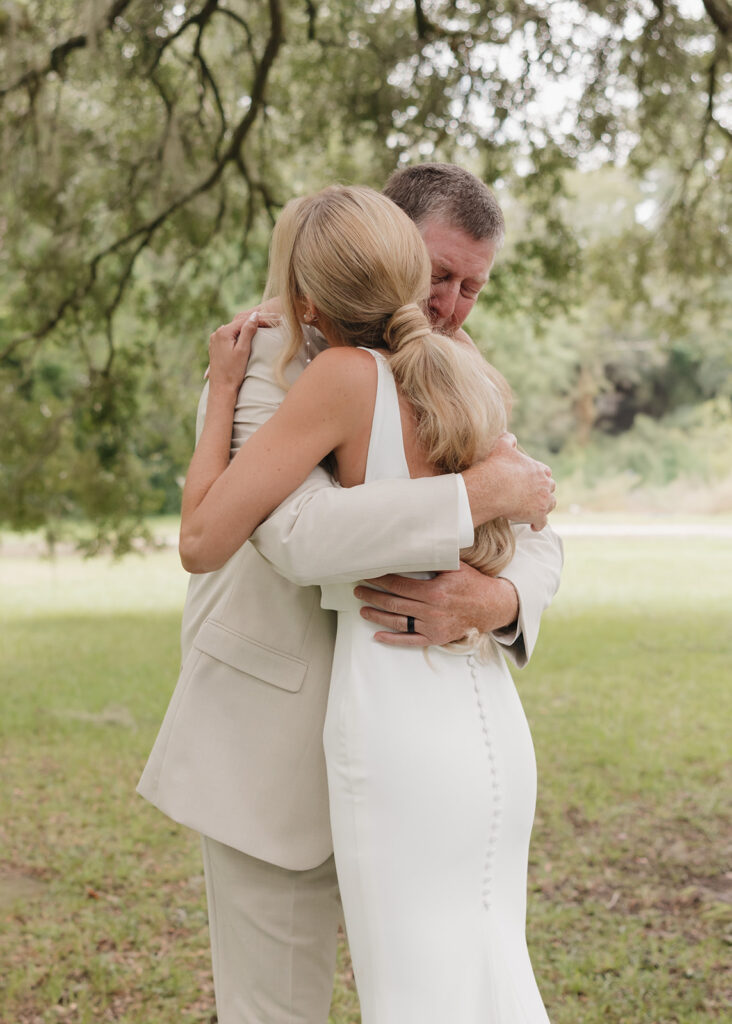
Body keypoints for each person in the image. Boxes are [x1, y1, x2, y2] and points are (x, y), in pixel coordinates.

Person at [138, 167, 562, 1024]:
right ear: (389, 247)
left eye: (471, 287)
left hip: (418, 734)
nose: (447, 306)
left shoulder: (455, 365)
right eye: (437, 276)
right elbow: (300, 537)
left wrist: (499, 602)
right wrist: (475, 498)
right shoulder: (267, 358)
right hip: (275, 745)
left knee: (435, 987)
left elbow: (542, 523)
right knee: (276, 1009)